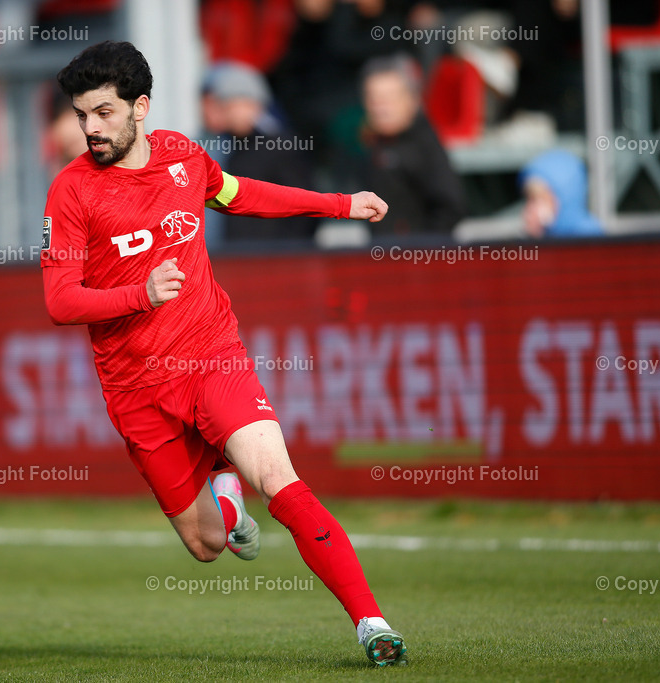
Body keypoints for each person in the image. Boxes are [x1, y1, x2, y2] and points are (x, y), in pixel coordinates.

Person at [40, 40, 407, 667]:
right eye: (82, 115)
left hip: (210, 352)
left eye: (104, 113)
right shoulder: (71, 192)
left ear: (140, 107)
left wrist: (340, 204)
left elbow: (243, 194)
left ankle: (372, 623)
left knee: (280, 480)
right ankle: (223, 490)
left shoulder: (183, 156)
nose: (90, 128)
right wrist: (140, 293)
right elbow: (61, 300)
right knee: (208, 545)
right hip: (135, 388)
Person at [200, 61, 318, 245]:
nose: (224, 114)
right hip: (238, 258)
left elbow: (305, 209)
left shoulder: (280, 146)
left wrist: (288, 253)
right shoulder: (226, 146)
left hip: (273, 260)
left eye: (230, 106)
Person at [361, 53, 466, 236]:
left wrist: (419, 253)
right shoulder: (373, 142)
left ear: (412, 99)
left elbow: (450, 207)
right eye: (373, 98)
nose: (380, 107)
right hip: (380, 256)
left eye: (389, 97)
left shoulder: (424, 145)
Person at [519, 149, 603, 238]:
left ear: (566, 198)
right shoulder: (548, 239)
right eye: (529, 199)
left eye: (538, 200)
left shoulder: (589, 237)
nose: (529, 210)